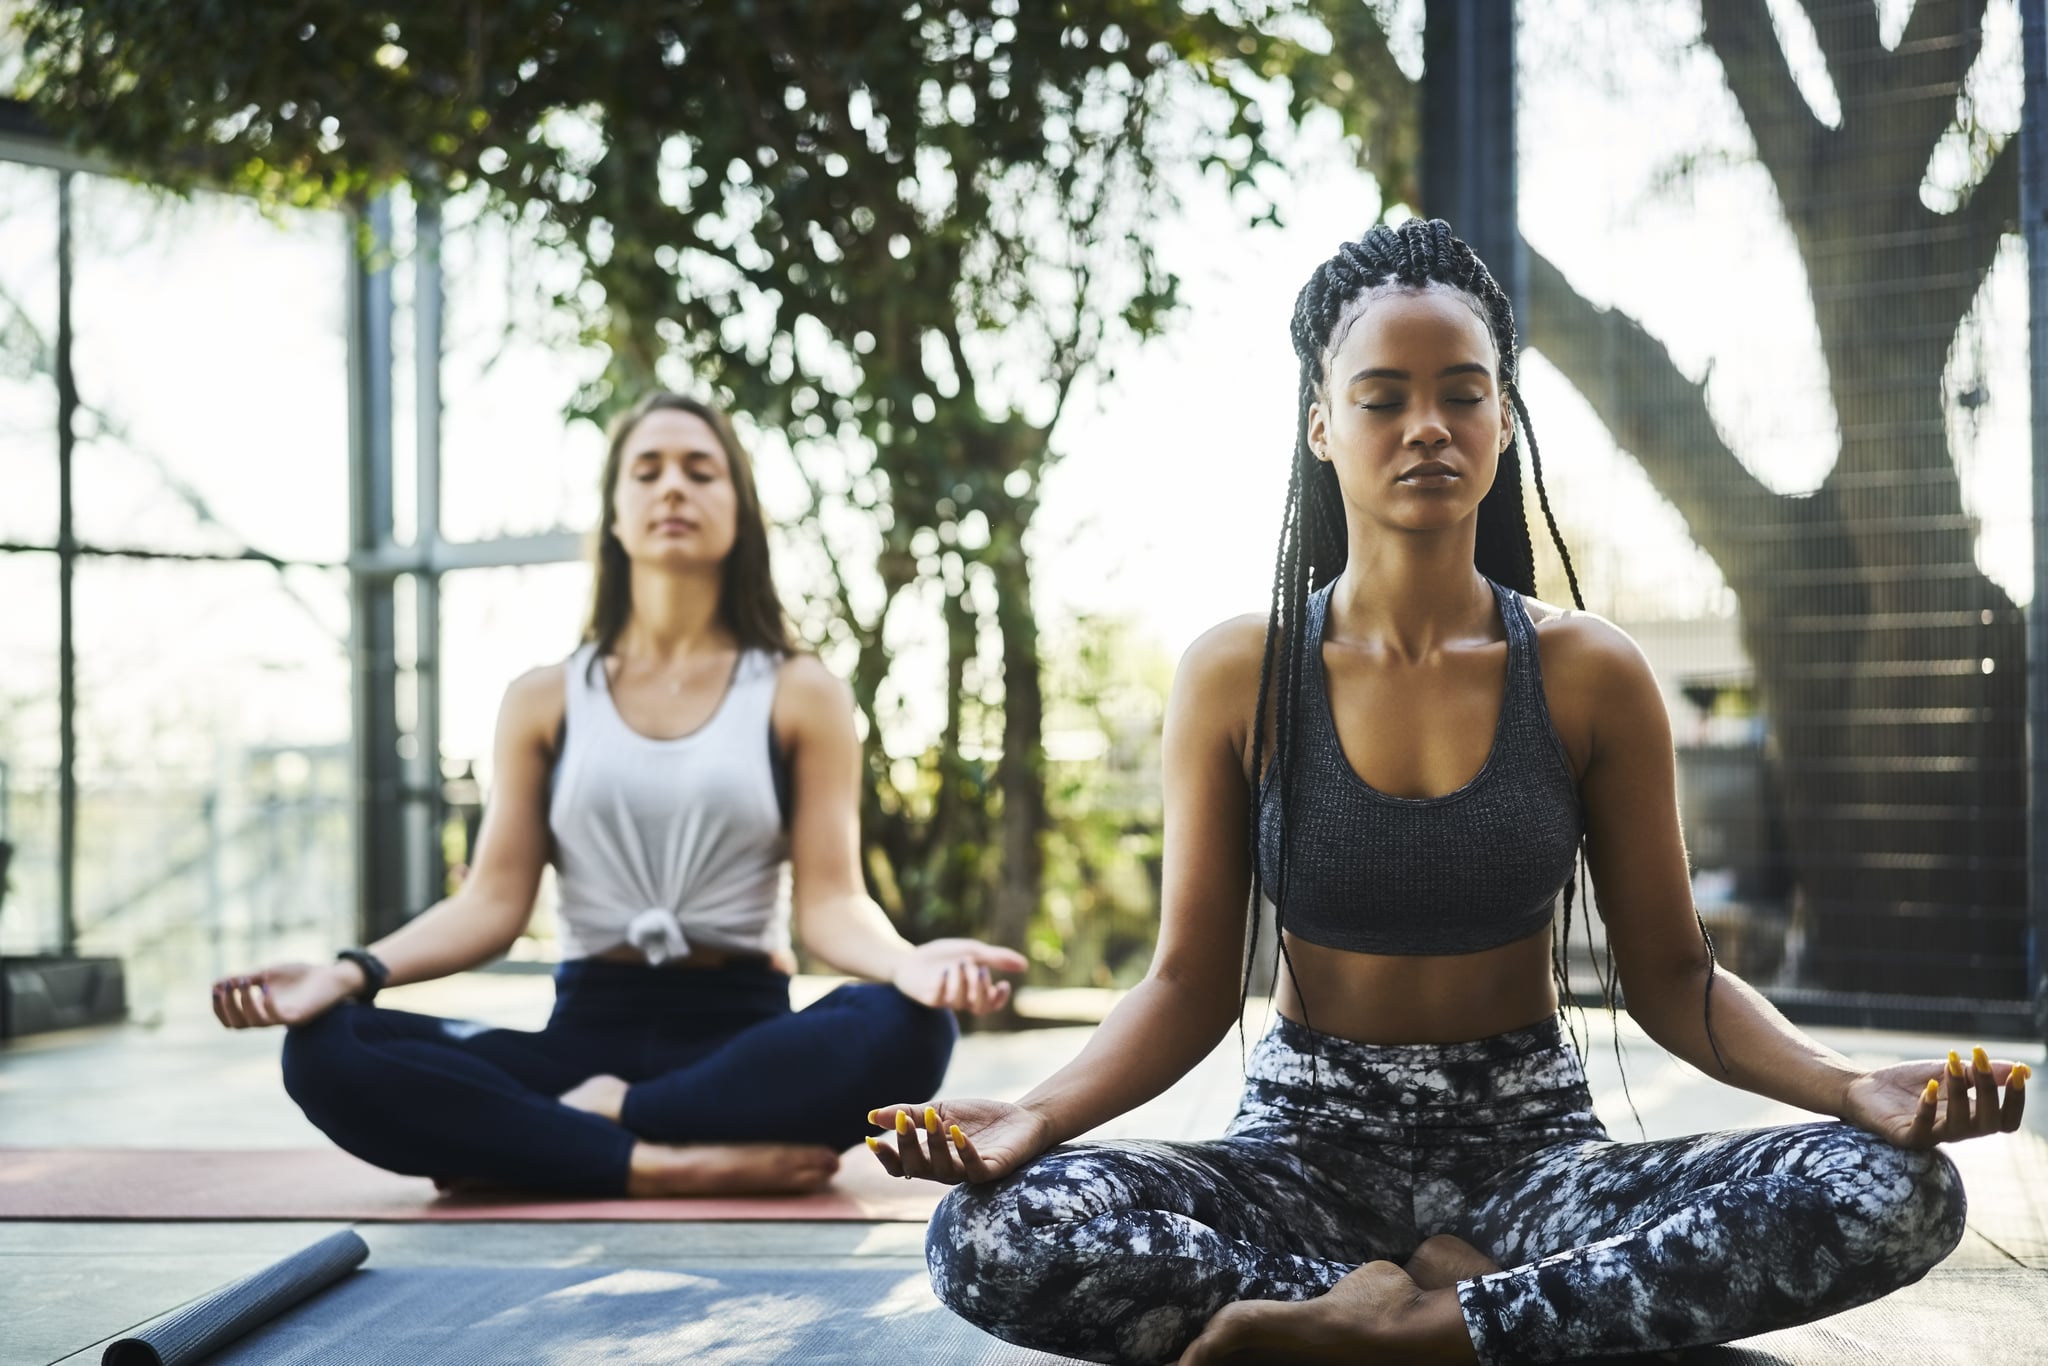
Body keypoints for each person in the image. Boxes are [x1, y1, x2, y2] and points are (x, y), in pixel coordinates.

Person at [865, 219, 2030, 1364]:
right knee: (992, 1232)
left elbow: (1675, 978)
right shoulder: (1239, 674)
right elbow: (1183, 984)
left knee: (1894, 1190)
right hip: (1300, 1155)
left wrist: (1845, 1087)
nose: (1426, 426)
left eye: (1462, 393)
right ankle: (1491, 1317)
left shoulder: (1589, 673)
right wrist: (1038, 1117)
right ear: (1321, 424)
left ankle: (1403, 1328)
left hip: (1529, 1157)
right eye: (1381, 398)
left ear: (1503, 419)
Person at [212, 391, 1025, 1198]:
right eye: (649, 470)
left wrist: (911, 964)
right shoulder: (543, 697)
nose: (673, 487)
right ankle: (657, 1162)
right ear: (615, 512)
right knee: (326, 1047)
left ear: (738, 511)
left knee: (911, 1024)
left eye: (701, 471)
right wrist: (351, 973)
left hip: (741, 1044)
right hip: (582, 1036)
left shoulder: (798, 690)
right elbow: (492, 904)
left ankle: (574, 1132)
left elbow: (832, 904)